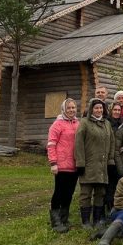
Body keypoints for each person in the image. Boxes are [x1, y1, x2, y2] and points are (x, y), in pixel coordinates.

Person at [76, 98, 116, 230]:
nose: (99, 110)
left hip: (103, 165)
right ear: (91, 109)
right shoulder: (84, 123)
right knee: (86, 193)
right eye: (96, 108)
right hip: (88, 164)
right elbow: (79, 144)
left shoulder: (107, 124)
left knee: (100, 192)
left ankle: (97, 219)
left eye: (101, 108)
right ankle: (86, 221)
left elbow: (112, 143)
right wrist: (80, 163)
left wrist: (110, 160)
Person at [46, 98, 80, 233]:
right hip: (61, 164)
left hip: (75, 164)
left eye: (73, 108)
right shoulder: (57, 124)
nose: (71, 110)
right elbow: (51, 144)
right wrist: (53, 162)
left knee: (69, 193)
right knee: (59, 192)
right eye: (69, 108)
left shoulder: (78, 123)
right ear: (64, 109)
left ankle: (64, 217)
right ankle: (55, 219)